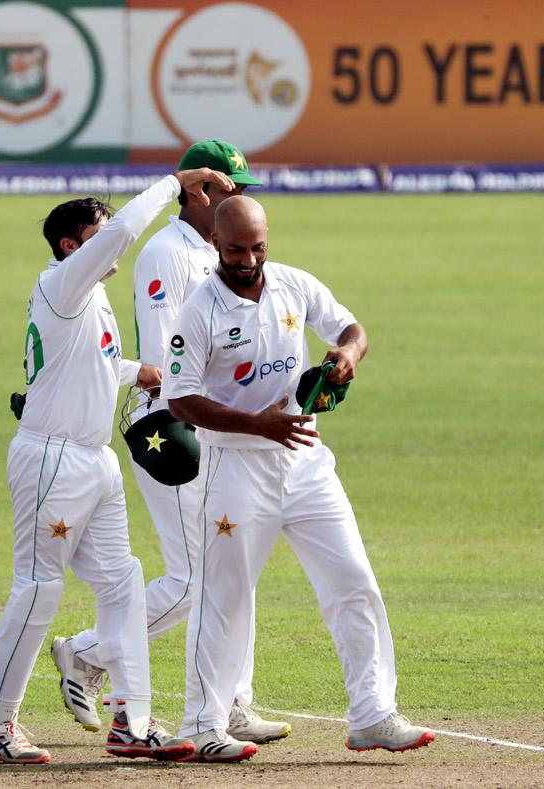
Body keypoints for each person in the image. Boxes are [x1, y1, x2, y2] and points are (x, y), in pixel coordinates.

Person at [0, 166, 236, 765]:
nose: (109, 237)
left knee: (121, 582)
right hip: (52, 459)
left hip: (94, 460)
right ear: (72, 245)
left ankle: (131, 723)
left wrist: (135, 369)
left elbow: (84, 364)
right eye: (98, 230)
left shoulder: (88, 296)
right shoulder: (63, 281)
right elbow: (123, 237)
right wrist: (172, 184)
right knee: (39, 589)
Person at [160, 195, 437, 762]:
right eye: (236, 249)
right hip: (236, 467)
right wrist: (256, 424)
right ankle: (203, 722)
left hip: (306, 460)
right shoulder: (199, 311)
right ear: (215, 243)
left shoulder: (292, 283)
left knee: (353, 580)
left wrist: (347, 354)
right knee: (225, 599)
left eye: (258, 247)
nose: (248, 259)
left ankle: (372, 714)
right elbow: (180, 399)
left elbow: (353, 327)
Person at [52, 140, 290, 745]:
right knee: (192, 579)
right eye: (228, 189)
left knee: (235, 563)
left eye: (243, 190)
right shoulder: (167, 253)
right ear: (198, 191)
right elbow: (166, 360)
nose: (239, 200)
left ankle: (234, 703)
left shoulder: (230, 256)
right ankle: (85, 653)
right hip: (171, 427)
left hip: (222, 424)